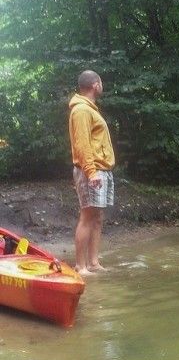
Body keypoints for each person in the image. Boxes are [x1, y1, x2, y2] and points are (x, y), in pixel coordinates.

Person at [68, 70, 115, 275]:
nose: (102, 85)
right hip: (91, 170)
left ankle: (93, 263)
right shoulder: (81, 110)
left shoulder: (91, 109)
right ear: (95, 84)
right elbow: (82, 144)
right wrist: (91, 171)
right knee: (87, 216)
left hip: (101, 169)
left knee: (97, 216)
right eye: (101, 82)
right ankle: (81, 266)